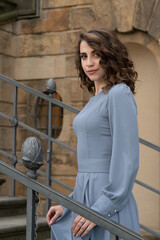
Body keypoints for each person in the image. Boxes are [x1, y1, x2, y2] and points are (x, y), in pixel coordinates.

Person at [46, 28, 140, 240]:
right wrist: (67, 205)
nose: (89, 63)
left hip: (108, 203)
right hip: (85, 199)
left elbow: (127, 160)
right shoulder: (95, 99)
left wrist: (100, 210)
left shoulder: (118, 93)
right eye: (84, 56)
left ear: (110, 55)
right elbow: (88, 173)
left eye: (96, 54)